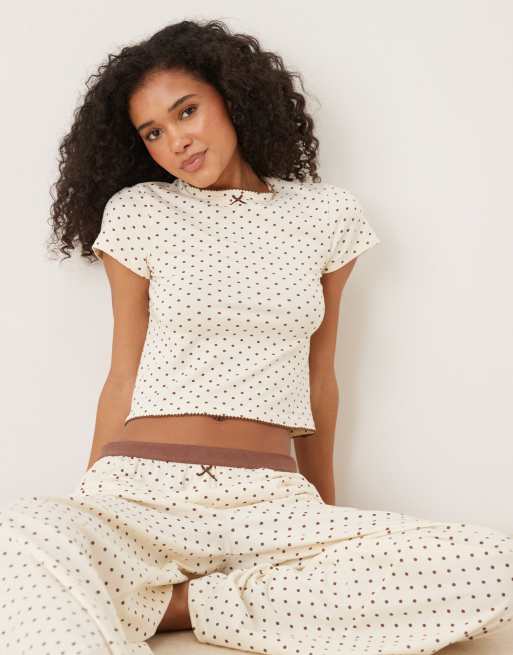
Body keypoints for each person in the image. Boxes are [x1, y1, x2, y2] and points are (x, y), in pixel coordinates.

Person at [1, 18, 512, 655]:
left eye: (187, 111)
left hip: (268, 500)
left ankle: (180, 604)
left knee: (495, 564)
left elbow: (320, 380)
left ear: (231, 98)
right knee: (16, 535)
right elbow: (123, 372)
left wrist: (322, 514)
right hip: (139, 491)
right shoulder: (139, 211)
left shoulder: (326, 215)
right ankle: (168, 591)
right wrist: (89, 514)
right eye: (153, 132)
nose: (177, 141)